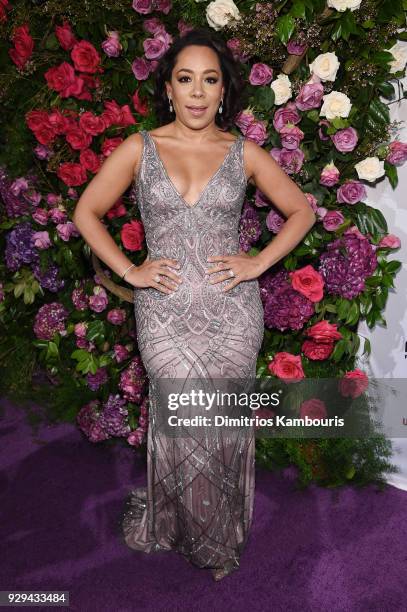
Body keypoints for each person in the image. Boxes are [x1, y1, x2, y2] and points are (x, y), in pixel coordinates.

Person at [72, 27, 316, 581]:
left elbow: (301, 211)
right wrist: (131, 270)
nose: (198, 93)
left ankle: (214, 533)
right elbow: (86, 212)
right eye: (186, 80)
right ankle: (191, 528)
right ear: (170, 87)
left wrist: (256, 263)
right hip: (165, 306)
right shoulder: (141, 147)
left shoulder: (244, 152)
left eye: (210, 80)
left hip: (232, 307)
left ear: (224, 91)